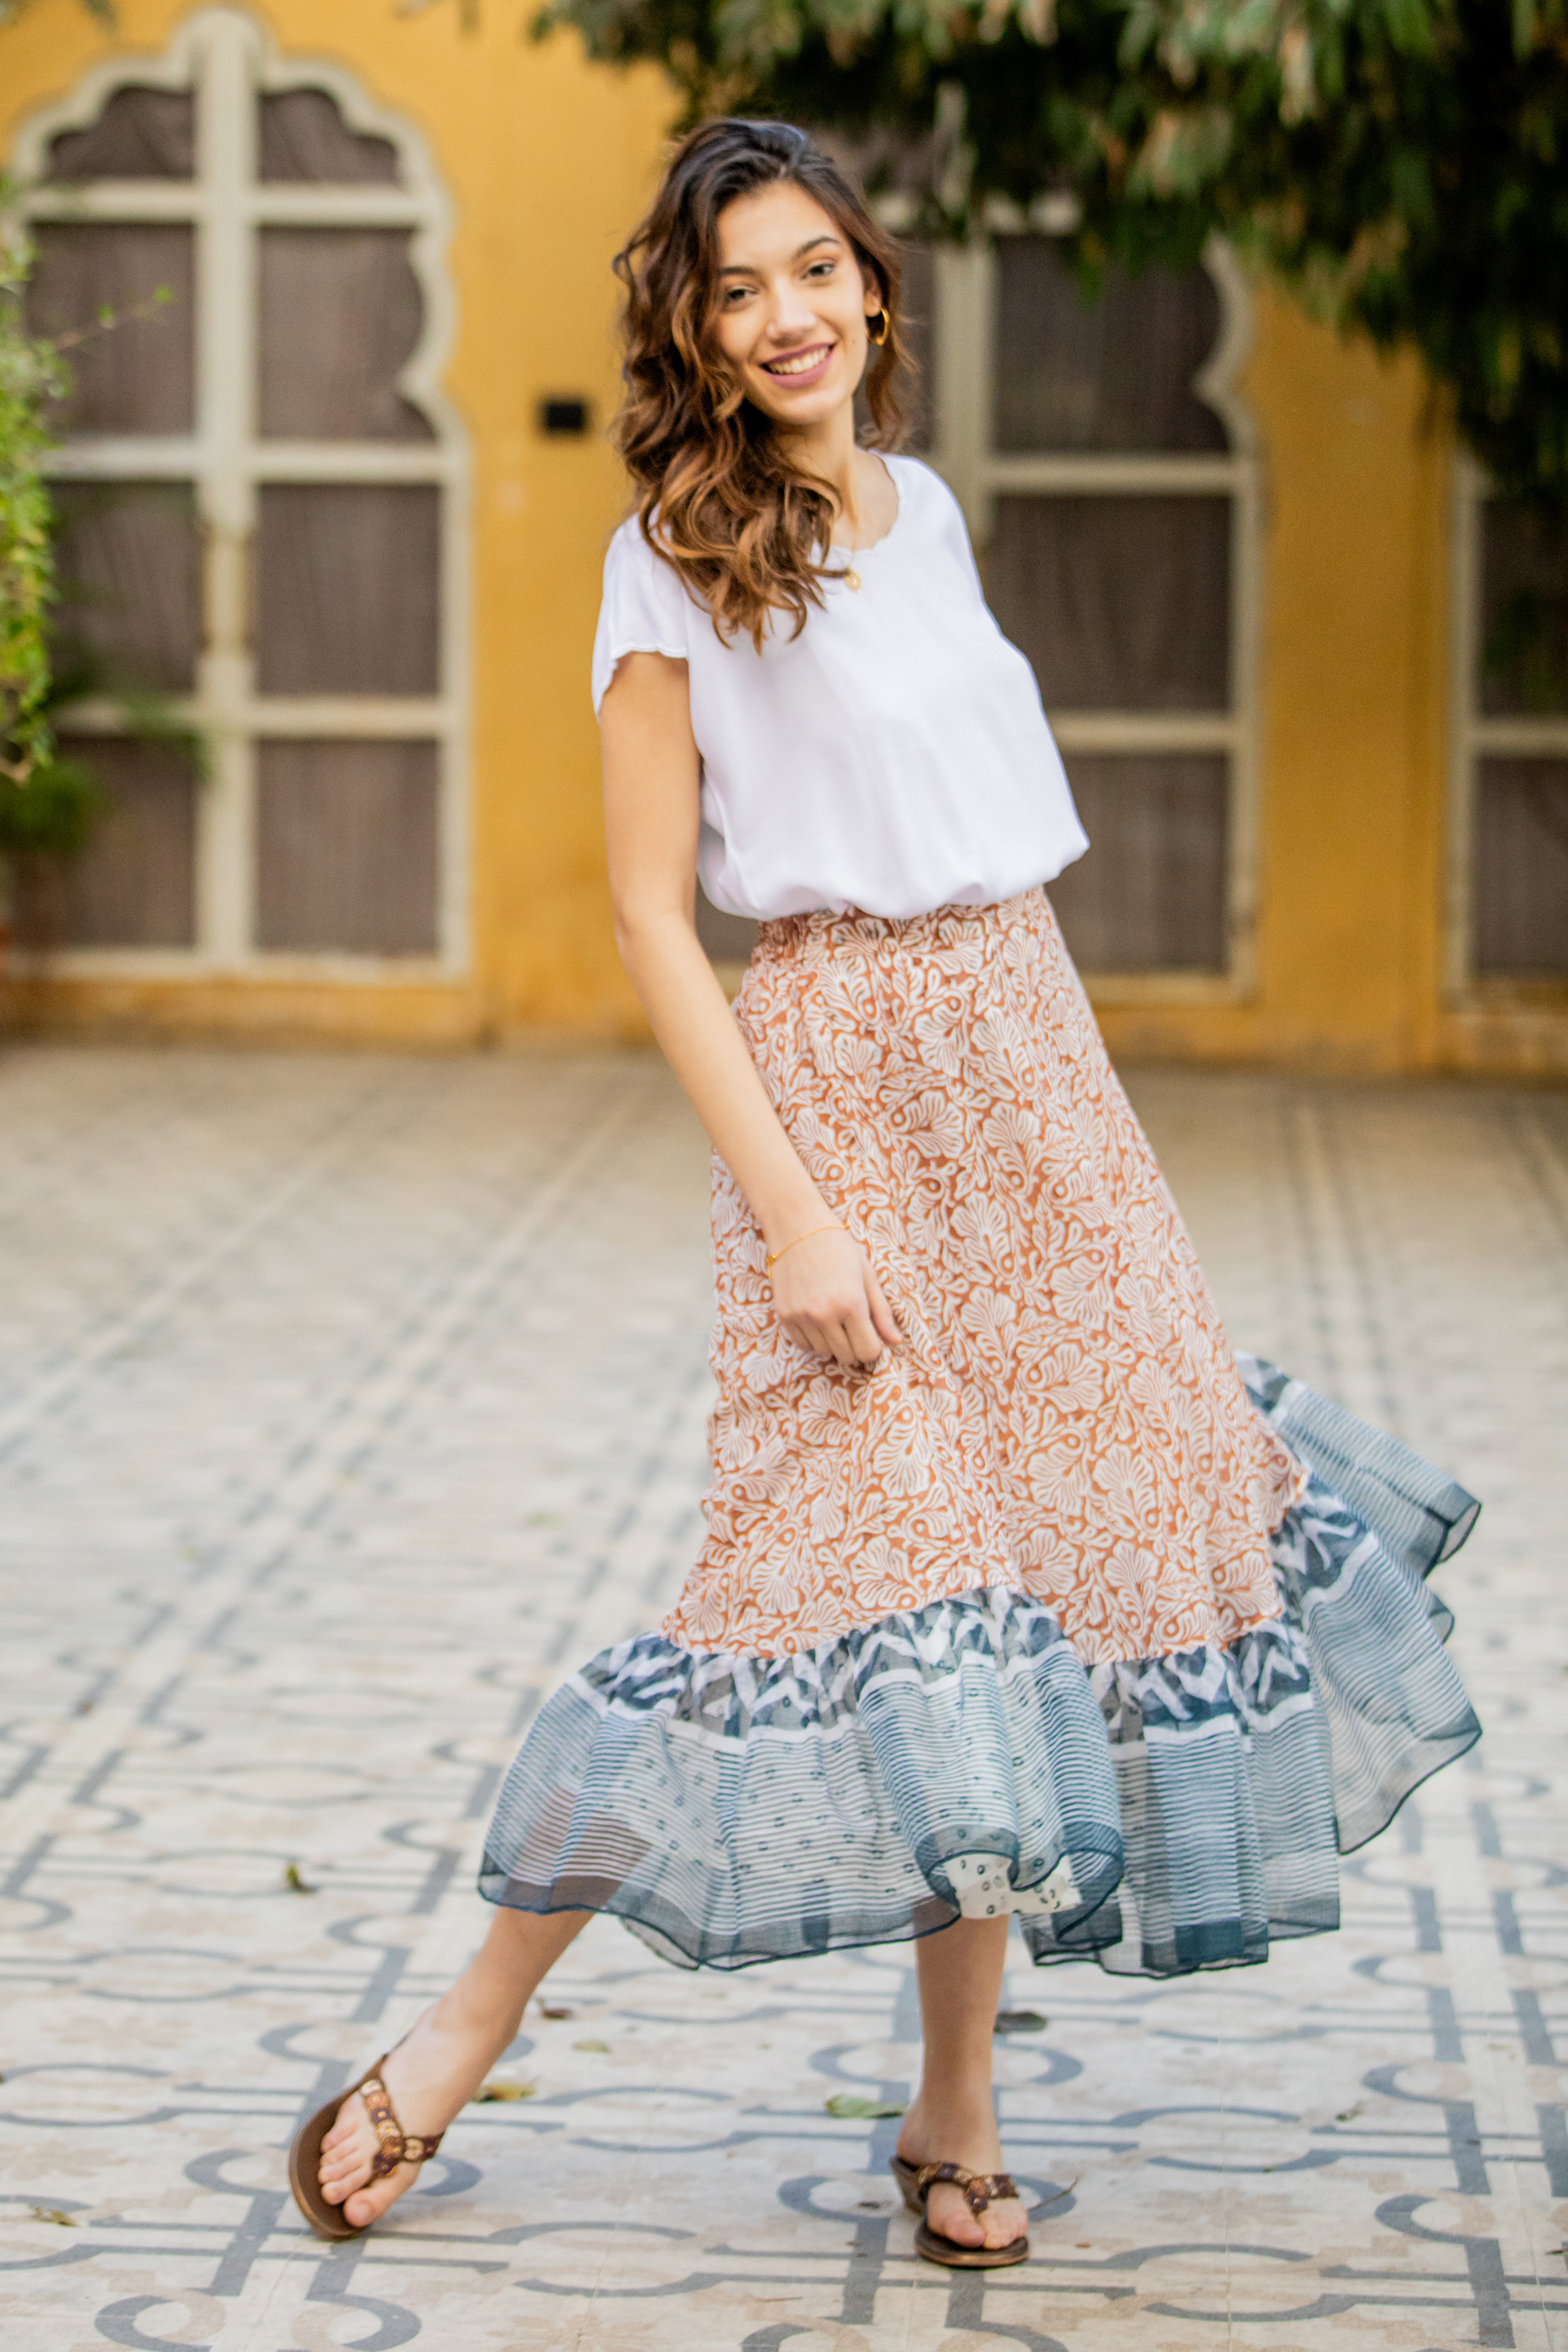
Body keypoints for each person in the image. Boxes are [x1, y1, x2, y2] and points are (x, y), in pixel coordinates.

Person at [289, 118, 1482, 2269]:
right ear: (697, 326)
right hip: (835, 1083)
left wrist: (1069, 1129)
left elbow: (984, 845)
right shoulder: (663, 554)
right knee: (778, 1580)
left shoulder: (923, 517)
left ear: (873, 285)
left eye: (816, 269)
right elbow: (660, 922)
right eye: (739, 288)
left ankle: (954, 2106)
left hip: (1030, 1064)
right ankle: (449, 2051)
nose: (788, 316)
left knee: (1010, 1606)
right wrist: (804, 1218)